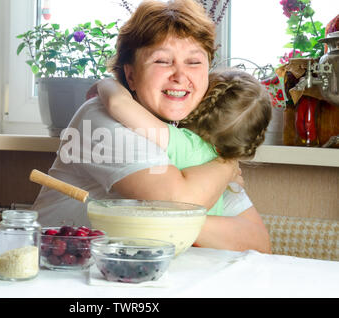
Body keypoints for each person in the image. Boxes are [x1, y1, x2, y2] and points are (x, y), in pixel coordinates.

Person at [32, 0, 271, 253]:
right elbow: (179, 204)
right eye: (162, 61)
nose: (180, 76)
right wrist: (227, 165)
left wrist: (158, 220)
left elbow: (257, 242)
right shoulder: (100, 119)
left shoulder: (196, 134)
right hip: (61, 269)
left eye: (193, 62)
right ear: (131, 75)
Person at [96, 69, 273, 216]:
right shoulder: (224, 169)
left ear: (202, 105)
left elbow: (119, 104)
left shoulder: (187, 144)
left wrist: (106, 82)